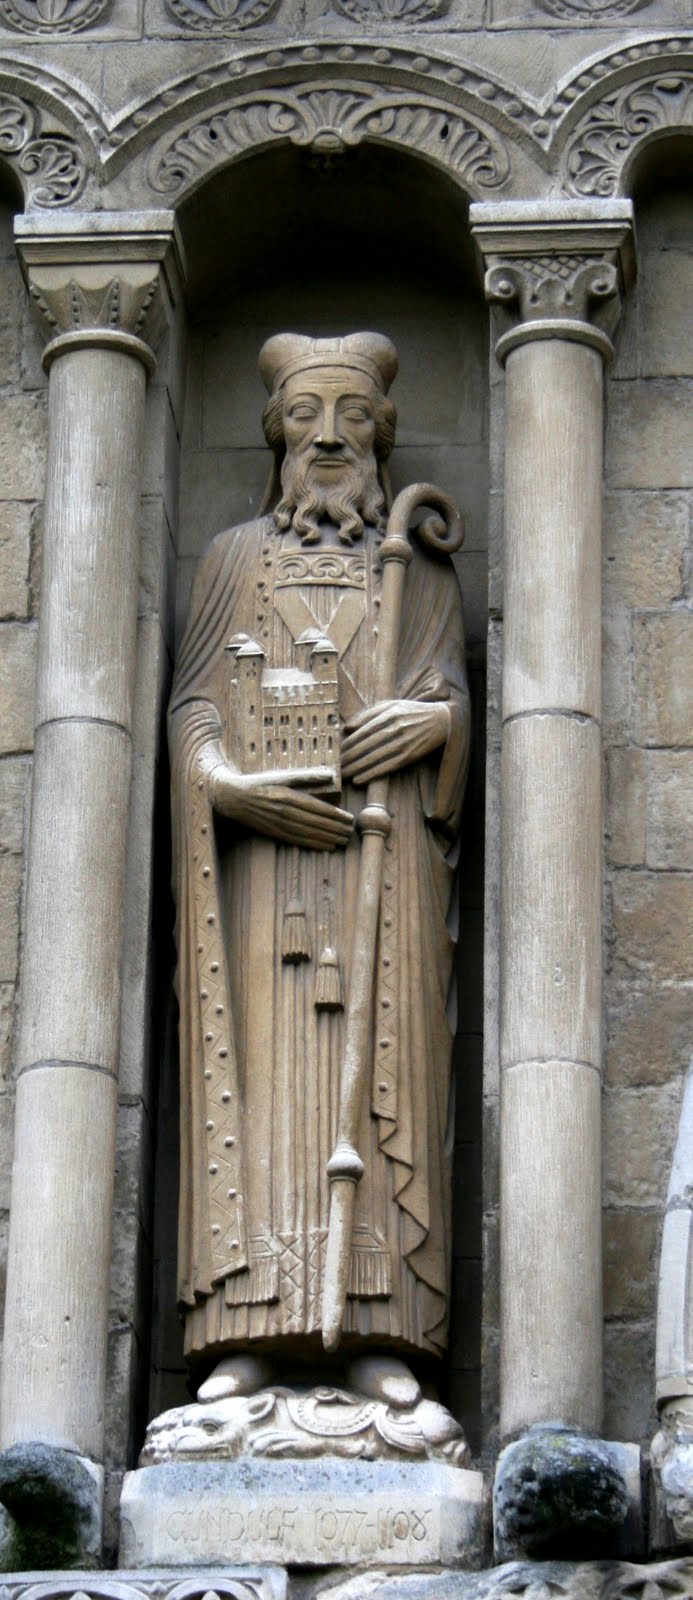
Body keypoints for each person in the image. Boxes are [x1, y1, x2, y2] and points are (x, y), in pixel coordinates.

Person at [168, 332, 470, 1400]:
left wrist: (432, 730)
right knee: (263, 1086)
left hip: (383, 870)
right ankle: (248, 1323)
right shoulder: (234, 558)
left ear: (381, 437)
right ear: (278, 436)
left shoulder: (415, 567)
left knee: (392, 1079)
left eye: (350, 416)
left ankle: (383, 1324)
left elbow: (447, 695)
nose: (330, 436)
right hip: (266, 880)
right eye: (307, 417)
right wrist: (223, 787)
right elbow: (197, 702)